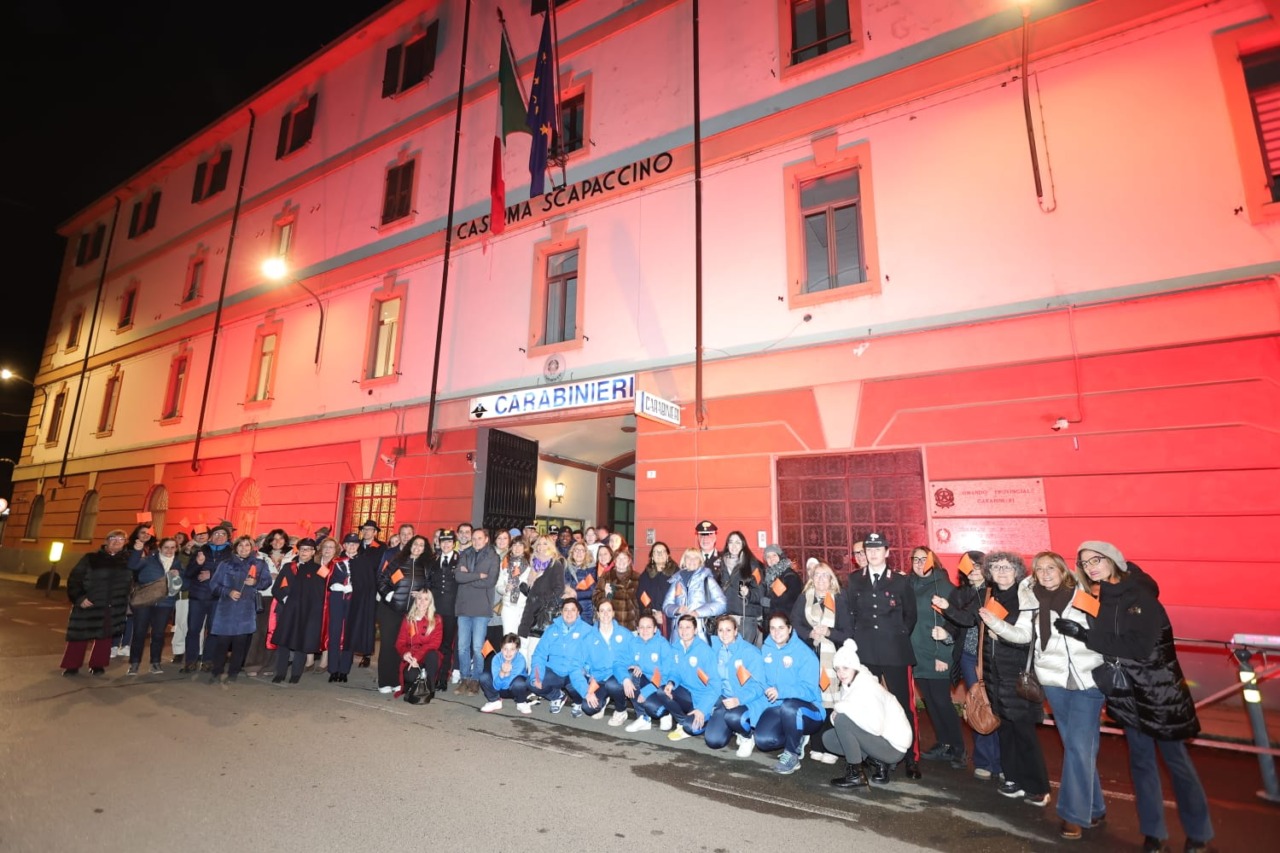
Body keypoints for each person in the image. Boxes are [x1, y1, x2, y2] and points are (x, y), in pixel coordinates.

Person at [1057, 542, 1212, 853]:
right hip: (1128, 695)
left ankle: (1199, 836)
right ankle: (1153, 835)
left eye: (1096, 560)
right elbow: (1111, 644)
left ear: (1113, 560)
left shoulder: (1140, 594)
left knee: (1177, 764)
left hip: (1160, 694)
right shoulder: (1103, 598)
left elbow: (1139, 648)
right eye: (1085, 563)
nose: (1090, 567)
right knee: (1141, 765)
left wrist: (1085, 635)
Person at [985, 551, 1105, 841]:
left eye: (1051, 568)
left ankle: (1073, 815)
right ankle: (1096, 806)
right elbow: (1023, 636)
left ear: (1063, 571)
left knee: (1077, 746)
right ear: (1034, 574)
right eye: (1040, 569)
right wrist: (996, 624)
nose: (1046, 573)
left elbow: (1103, 634)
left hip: (1088, 679)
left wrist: (1083, 634)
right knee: (1079, 746)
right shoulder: (1032, 600)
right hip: (1053, 681)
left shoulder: (1082, 595)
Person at [977, 551, 1050, 806]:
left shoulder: (1026, 596)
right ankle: (1013, 778)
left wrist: (997, 628)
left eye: (1008, 567)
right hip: (996, 674)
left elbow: (1026, 637)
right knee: (1006, 729)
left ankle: (1038, 786)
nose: (1002, 571)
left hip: (1018, 674)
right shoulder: (991, 595)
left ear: (1018, 570)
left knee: (1024, 732)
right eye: (996, 567)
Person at [845, 531, 920, 779]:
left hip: (895, 651)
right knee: (868, 704)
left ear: (887, 552)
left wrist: (895, 637)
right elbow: (852, 613)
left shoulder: (900, 581)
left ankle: (911, 757)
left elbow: (911, 615)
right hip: (866, 651)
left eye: (878, 549)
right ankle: (875, 755)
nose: (873, 553)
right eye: (869, 550)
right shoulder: (855, 580)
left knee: (903, 704)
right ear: (863, 554)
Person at [933, 550, 1001, 781]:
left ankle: (1002, 762)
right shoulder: (961, 593)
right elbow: (955, 625)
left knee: (998, 708)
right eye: (967, 567)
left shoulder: (994, 591)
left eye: (976, 566)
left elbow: (970, 618)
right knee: (978, 706)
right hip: (969, 656)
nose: (972, 571)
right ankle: (984, 760)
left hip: (993, 657)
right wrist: (945, 635)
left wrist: (946, 608)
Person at [823, 639, 912, 788]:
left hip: (893, 747)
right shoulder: (849, 683)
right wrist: (838, 713)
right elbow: (847, 713)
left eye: (845, 668)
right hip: (879, 740)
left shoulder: (867, 687)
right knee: (829, 739)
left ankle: (855, 775)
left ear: (855, 667)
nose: (840, 673)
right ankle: (877, 762)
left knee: (843, 720)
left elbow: (875, 727)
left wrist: (843, 710)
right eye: (837, 668)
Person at [909, 546, 967, 771]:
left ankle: (959, 748)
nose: (919, 563)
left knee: (942, 701)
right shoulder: (910, 585)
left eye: (924, 559)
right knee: (931, 702)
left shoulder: (944, 587)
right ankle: (943, 743)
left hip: (936, 655)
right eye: (915, 559)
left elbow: (952, 623)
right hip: (917, 654)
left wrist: (943, 653)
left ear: (934, 561)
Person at [789, 561, 850, 762]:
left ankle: (831, 747)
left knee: (831, 701)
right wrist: (810, 633)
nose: (821, 579)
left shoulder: (839, 600)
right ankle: (816, 744)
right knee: (814, 699)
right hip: (809, 656)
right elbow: (795, 624)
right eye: (817, 575)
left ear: (831, 578)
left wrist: (829, 632)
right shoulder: (803, 598)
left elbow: (848, 632)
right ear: (812, 579)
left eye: (825, 575)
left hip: (833, 659)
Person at [756, 613, 826, 774]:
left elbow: (809, 691)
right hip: (778, 707)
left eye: (781, 627)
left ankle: (792, 755)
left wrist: (781, 692)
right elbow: (762, 681)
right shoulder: (766, 649)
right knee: (763, 740)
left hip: (810, 709)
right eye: (772, 628)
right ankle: (797, 735)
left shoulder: (805, 653)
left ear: (789, 629)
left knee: (790, 706)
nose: (776, 632)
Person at [60, 529, 132, 676]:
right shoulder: (91, 558)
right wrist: (79, 598)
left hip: (113, 605)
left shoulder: (128, 561)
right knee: (79, 636)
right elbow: (75, 578)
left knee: (105, 636)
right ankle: (72, 665)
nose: (116, 541)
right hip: (89, 603)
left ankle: (98, 664)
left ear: (125, 543)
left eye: (121, 539)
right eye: (113, 538)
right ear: (106, 540)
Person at [206, 535, 273, 683]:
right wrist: (228, 592)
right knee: (222, 642)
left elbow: (266, 582)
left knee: (240, 643)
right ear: (235, 548)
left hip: (246, 609)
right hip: (226, 609)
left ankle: (233, 672)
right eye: (241, 546)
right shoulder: (225, 564)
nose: (244, 549)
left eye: (247, 546)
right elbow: (213, 585)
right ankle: (216, 671)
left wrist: (255, 582)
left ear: (252, 547)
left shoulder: (259, 564)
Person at [701, 614, 770, 757]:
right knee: (713, 741)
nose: (724, 634)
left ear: (735, 631)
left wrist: (739, 700)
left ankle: (747, 736)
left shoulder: (750, 652)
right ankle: (732, 727)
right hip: (725, 699)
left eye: (728, 630)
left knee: (734, 717)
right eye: (720, 630)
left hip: (748, 700)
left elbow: (760, 686)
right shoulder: (715, 648)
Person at [376, 534, 432, 693]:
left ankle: (396, 680)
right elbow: (382, 579)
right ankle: (384, 681)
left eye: (421, 545)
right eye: (415, 544)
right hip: (390, 610)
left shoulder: (425, 566)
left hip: (409, 613)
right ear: (410, 546)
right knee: (387, 645)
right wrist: (389, 595)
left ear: (424, 549)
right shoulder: (398, 561)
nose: (417, 548)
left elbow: (428, 585)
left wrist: (422, 592)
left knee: (402, 646)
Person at [271, 538, 329, 684]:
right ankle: (280, 673)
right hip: (288, 611)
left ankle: (296, 674)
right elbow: (276, 588)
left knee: (302, 643)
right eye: (302, 549)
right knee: (284, 642)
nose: (304, 552)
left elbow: (323, 593)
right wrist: (285, 599)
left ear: (313, 552)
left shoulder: (320, 569)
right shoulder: (288, 567)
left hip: (308, 613)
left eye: (308, 549)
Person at [125, 533, 182, 675]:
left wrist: (178, 577)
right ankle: (134, 663)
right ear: (160, 548)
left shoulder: (178, 563)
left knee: (158, 634)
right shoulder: (149, 559)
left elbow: (185, 584)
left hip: (165, 603)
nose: (169, 551)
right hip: (145, 600)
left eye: (172, 548)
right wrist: (138, 550)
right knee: (139, 632)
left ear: (176, 548)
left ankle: (155, 662)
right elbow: (132, 565)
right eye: (166, 547)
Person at [527, 598, 594, 714]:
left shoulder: (588, 630)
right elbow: (539, 655)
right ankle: (557, 696)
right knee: (531, 683)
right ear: (561, 612)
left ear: (578, 613)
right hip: (556, 672)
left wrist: (588, 672)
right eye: (566, 610)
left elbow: (594, 657)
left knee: (577, 687)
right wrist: (536, 676)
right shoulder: (551, 629)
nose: (569, 613)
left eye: (573, 610)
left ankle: (578, 702)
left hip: (577, 672)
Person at [659, 613, 720, 741]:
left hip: (703, 697)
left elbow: (715, 686)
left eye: (688, 627)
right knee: (662, 691)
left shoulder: (705, 651)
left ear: (695, 630)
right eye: (681, 627)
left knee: (691, 728)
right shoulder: (676, 647)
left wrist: (702, 709)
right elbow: (674, 672)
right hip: (687, 694)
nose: (683, 631)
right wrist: (671, 683)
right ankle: (682, 722)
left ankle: (706, 717)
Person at [455, 527, 498, 695]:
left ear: (486, 539)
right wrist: (478, 575)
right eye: (474, 538)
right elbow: (458, 577)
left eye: (479, 538)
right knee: (462, 647)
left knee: (477, 647)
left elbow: (490, 581)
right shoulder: (465, 554)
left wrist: (469, 577)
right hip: (464, 606)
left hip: (481, 608)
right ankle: (464, 678)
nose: (476, 541)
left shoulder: (493, 556)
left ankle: (476, 680)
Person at [620, 612, 676, 732]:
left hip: (659, 687)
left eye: (649, 627)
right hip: (642, 682)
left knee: (656, 711)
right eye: (642, 627)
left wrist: (646, 692)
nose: (645, 630)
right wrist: (632, 667)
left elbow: (666, 674)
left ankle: (665, 713)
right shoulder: (633, 643)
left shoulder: (663, 644)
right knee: (631, 673)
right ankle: (643, 718)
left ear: (655, 629)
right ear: (637, 629)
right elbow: (621, 662)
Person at [516, 535, 566, 669]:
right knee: (524, 649)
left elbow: (559, 589)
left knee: (535, 653)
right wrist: (526, 590)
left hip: (542, 615)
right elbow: (534, 590)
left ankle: (534, 684)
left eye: (545, 544)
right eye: (538, 543)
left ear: (550, 546)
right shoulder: (534, 565)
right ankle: (527, 682)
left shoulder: (555, 564)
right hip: (529, 612)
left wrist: (541, 599)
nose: (541, 546)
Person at [249, 529, 295, 673]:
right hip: (264, 596)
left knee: (275, 633)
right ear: (269, 541)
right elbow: (252, 576)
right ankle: (253, 663)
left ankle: (271, 665)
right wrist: (268, 577)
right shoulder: (260, 557)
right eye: (274, 539)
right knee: (259, 632)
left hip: (283, 599)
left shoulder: (293, 557)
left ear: (285, 541)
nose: (277, 542)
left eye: (280, 539)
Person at [588, 599, 635, 723]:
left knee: (612, 684)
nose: (605, 614)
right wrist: (590, 676)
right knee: (588, 708)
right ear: (597, 614)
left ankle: (621, 710)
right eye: (602, 611)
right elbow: (584, 661)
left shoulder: (625, 634)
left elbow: (635, 655)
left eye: (609, 610)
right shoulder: (589, 636)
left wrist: (630, 669)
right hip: (600, 678)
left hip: (618, 675)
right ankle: (603, 702)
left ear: (613, 613)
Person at [662, 547, 727, 635]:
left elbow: (722, 604)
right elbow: (666, 606)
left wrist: (698, 612)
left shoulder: (707, 580)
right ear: (684, 560)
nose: (692, 560)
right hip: (679, 633)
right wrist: (676, 609)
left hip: (700, 632)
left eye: (695, 557)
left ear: (700, 561)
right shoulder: (676, 581)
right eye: (688, 557)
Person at [395, 589, 443, 704]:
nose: (422, 602)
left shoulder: (436, 620)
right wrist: (405, 654)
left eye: (426, 599)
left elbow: (434, 644)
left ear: (430, 602)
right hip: (412, 656)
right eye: (419, 598)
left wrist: (417, 656)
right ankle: (412, 683)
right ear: (415, 601)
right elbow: (400, 643)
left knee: (432, 656)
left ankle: (430, 687)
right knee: (410, 676)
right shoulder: (408, 619)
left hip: (426, 655)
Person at [326, 534, 361, 682]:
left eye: (354, 544)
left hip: (353, 601)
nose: (351, 546)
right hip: (337, 600)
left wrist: (354, 587)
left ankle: (344, 670)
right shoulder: (335, 562)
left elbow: (366, 583)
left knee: (349, 634)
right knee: (334, 633)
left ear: (358, 546)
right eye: (348, 544)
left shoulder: (362, 562)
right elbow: (327, 580)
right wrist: (336, 586)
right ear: (344, 546)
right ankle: (333, 669)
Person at [429, 529, 461, 690]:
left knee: (447, 645)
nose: (446, 544)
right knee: (434, 644)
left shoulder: (460, 560)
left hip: (451, 610)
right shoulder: (433, 561)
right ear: (439, 543)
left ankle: (442, 678)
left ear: (453, 543)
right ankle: (432, 676)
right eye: (443, 542)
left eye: (449, 541)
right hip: (435, 610)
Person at [720, 531, 764, 645]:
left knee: (744, 658)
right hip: (725, 620)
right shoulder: (720, 565)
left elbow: (761, 594)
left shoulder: (753, 565)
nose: (734, 546)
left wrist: (748, 594)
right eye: (731, 542)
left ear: (743, 545)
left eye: (737, 542)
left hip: (745, 620)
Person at [480, 633, 530, 713]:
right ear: (501, 649)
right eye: (505, 649)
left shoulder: (520, 660)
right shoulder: (496, 658)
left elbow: (507, 685)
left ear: (517, 650)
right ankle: (494, 701)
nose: (508, 653)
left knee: (519, 683)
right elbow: (496, 685)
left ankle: (521, 702)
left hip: (514, 689)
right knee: (484, 677)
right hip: (499, 688)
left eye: (512, 649)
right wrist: (502, 672)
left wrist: (506, 674)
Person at [758, 544, 802, 631]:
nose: (771, 559)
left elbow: (791, 599)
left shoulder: (789, 575)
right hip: (772, 624)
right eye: (768, 557)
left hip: (785, 624)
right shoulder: (768, 576)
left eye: (774, 555)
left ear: (780, 556)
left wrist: (771, 602)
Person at [593, 548, 640, 630]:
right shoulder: (606, 576)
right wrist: (604, 594)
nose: (621, 561)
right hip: (610, 624)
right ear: (614, 561)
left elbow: (642, 601)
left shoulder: (637, 577)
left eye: (624, 558)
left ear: (629, 561)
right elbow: (595, 598)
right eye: (618, 558)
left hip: (631, 624)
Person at [638, 541, 676, 637]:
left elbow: (680, 597)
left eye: (662, 551)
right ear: (652, 557)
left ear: (668, 555)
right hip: (652, 619)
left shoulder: (676, 574)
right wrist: (653, 612)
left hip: (671, 619)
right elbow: (642, 596)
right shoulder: (645, 575)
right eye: (656, 552)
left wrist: (665, 613)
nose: (659, 554)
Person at [497, 535, 532, 637]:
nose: (517, 548)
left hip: (525, 607)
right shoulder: (504, 563)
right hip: (508, 606)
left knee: (523, 640)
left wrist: (524, 586)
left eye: (520, 545)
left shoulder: (532, 563)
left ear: (525, 547)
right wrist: (505, 588)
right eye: (514, 545)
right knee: (508, 638)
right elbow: (498, 585)